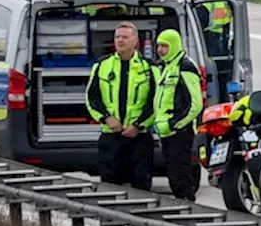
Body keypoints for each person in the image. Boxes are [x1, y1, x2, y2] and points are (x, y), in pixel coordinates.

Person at [85, 22, 157, 191]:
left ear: (135, 41)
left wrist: (138, 125)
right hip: (111, 136)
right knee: (110, 187)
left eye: (125, 37)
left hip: (139, 137)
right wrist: (106, 118)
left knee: (141, 186)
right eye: (117, 37)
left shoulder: (149, 67)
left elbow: (156, 101)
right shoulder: (102, 66)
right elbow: (92, 97)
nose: (120, 40)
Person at [151, 28, 204, 202]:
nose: (160, 50)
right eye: (158, 46)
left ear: (173, 45)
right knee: (174, 176)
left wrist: (175, 124)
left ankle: (188, 209)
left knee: (181, 175)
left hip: (180, 132)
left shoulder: (185, 66)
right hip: (166, 132)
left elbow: (195, 103)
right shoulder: (167, 66)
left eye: (164, 46)